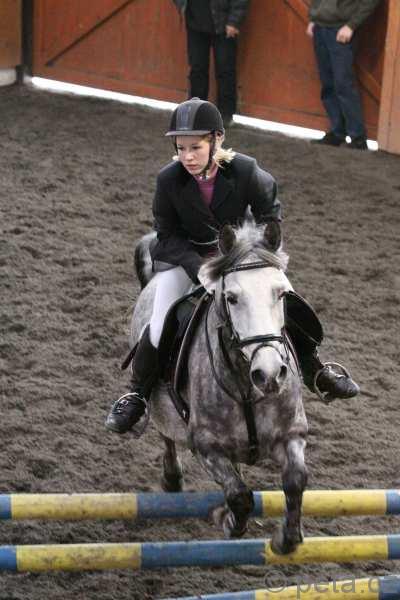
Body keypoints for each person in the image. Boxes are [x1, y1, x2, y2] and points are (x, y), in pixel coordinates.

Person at [105, 97, 359, 435]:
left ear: (217, 140)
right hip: (188, 261)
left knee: (284, 297)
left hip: (243, 259)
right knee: (160, 319)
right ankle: (137, 393)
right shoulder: (169, 180)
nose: (187, 157)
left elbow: (270, 214)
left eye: (195, 147)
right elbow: (165, 238)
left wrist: (257, 250)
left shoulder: (246, 171)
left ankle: (316, 370)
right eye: (181, 148)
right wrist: (199, 267)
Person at [307, 0, 381, 150]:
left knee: (343, 84)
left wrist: (351, 25)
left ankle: (358, 138)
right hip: (320, 27)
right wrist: (314, 18)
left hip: (341, 28)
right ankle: (337, 132)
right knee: (328, 83)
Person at [171, 0, 250, 128]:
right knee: (197, 69)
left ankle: (225, 114)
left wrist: (233, 21)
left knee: (225, 70)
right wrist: (182, 6)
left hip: (223, 23)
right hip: (194, 21)